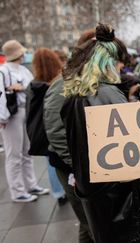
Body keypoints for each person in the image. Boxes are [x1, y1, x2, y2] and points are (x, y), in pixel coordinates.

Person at [61, 23, 140, 243]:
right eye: (117, 63)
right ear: (107, 63)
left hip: (96, 195)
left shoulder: (74, 96)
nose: (121, 68)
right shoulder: (109, 94)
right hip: (121, 198)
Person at [45, 33, 96, 242]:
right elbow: (56, 131)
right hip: (71, 167)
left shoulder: (87, 78)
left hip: (82, 165)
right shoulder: (65, 82)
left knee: (89, 223)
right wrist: (77, 165)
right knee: (90, 222)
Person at [0, 40, 49, 203]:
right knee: (14, 155)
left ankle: (31, 184)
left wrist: (20, 88)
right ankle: (17, 191)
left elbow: (30, 88)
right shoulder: (3, 71)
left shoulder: (22, 70)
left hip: (24, 112)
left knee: (27, 152)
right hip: (11, 115)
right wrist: (2, 117)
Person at [26, 48, 67, 205]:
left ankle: (58, 193)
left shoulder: (33, 85)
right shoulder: (59, 83)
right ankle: (68, 188)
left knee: (49, 161)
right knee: (59, 158)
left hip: (41, 129)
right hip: (57, 127)